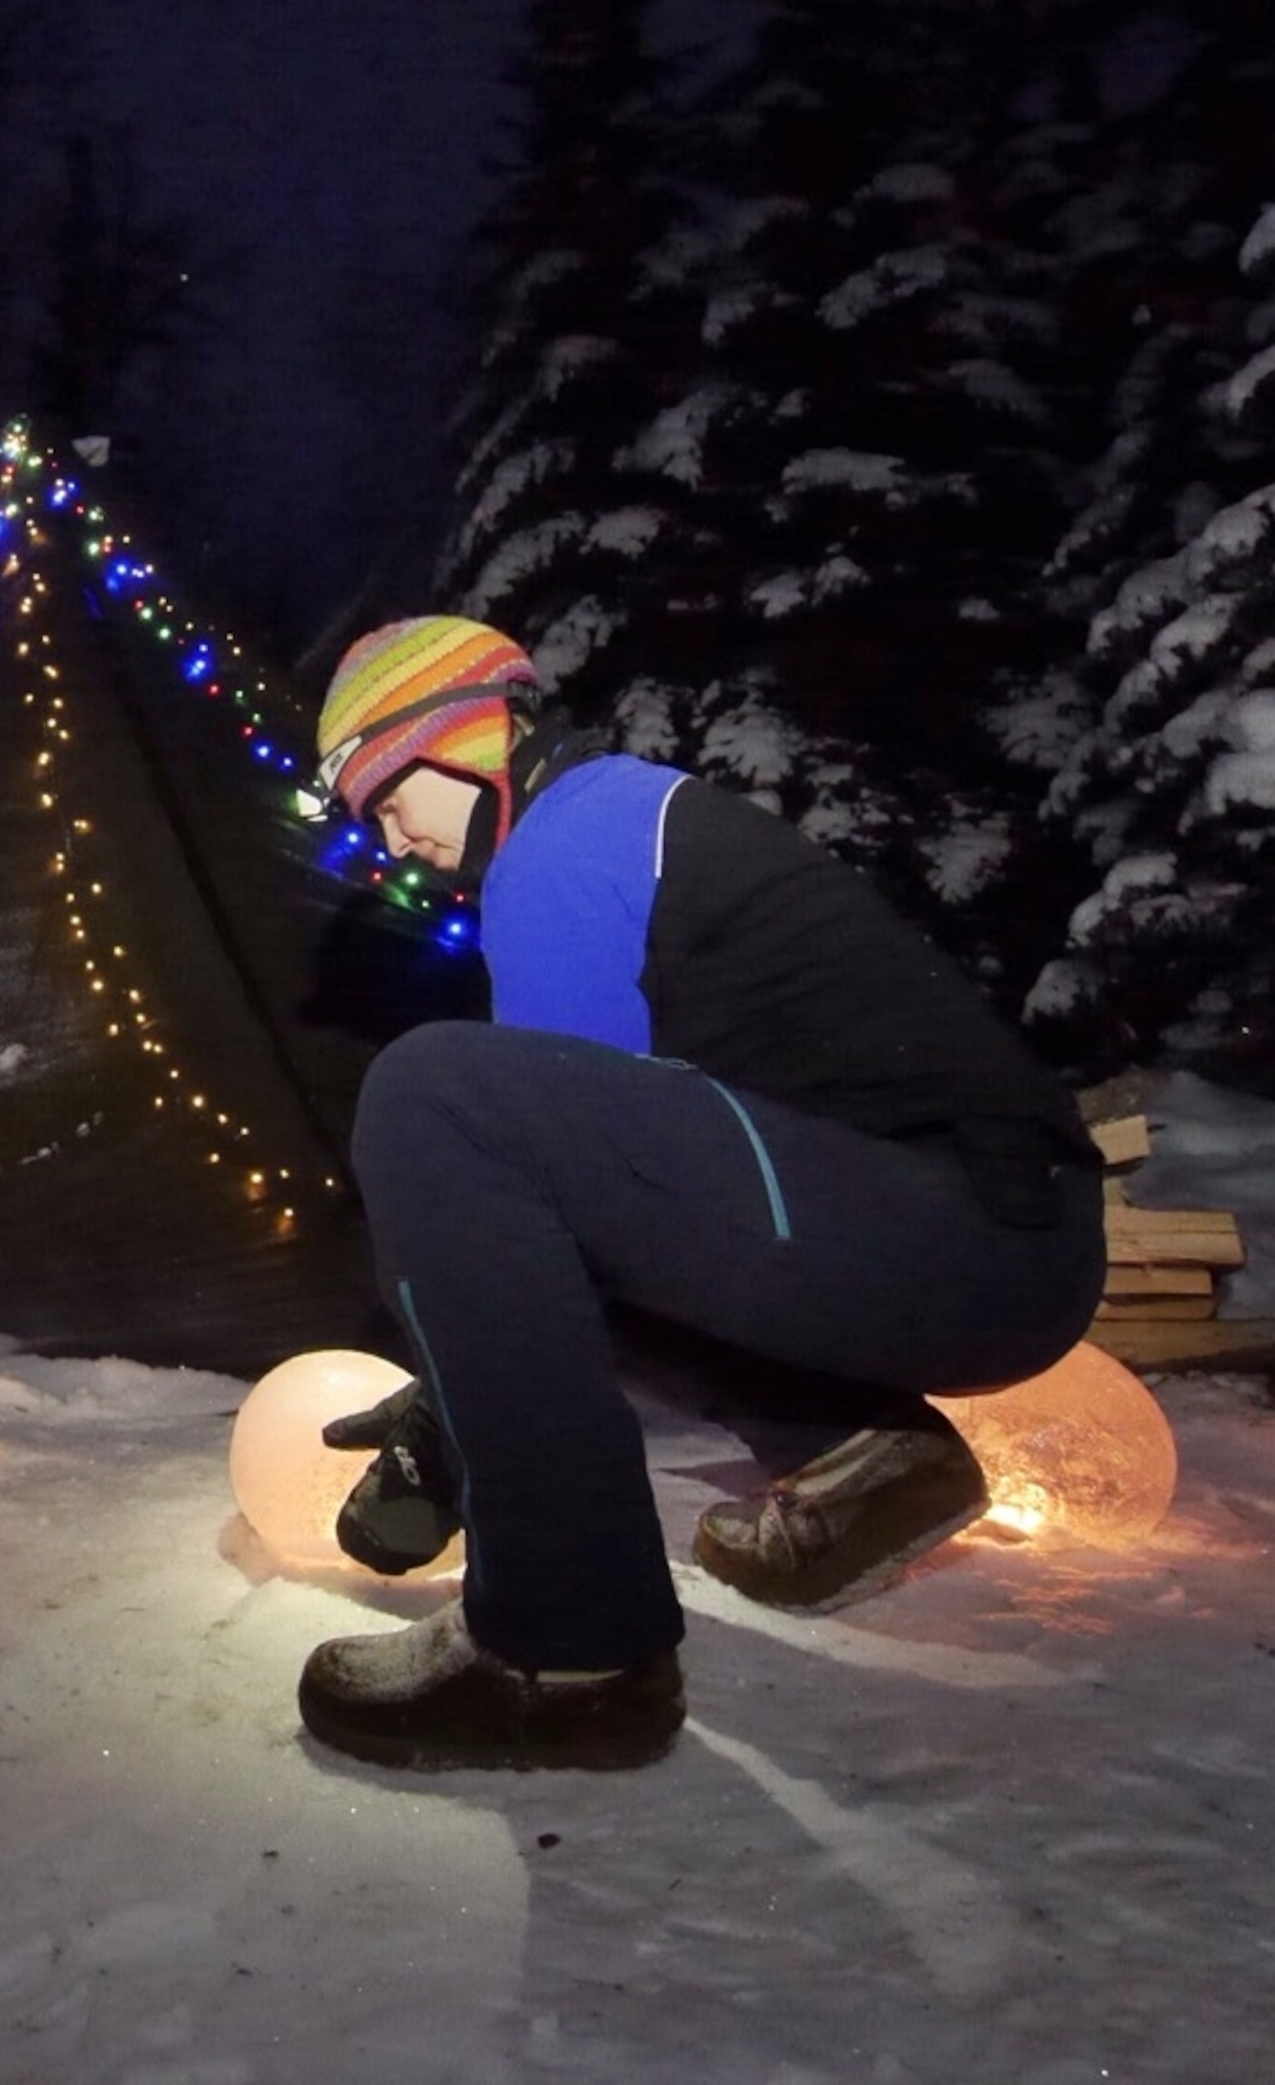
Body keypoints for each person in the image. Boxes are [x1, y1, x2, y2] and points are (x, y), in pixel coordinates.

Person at [295, 617, 1105, 1773]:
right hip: (989, 1234)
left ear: (455, 738)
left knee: (433, 1093)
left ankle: (565, 1646)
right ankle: (858, 1455)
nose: (393, 844)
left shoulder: (567, 843)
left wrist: (444, 1436)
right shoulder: (617, 816)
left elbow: (522, 1171)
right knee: (536, 1162)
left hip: (960, 1226)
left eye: (385, 802)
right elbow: (596, 1197)